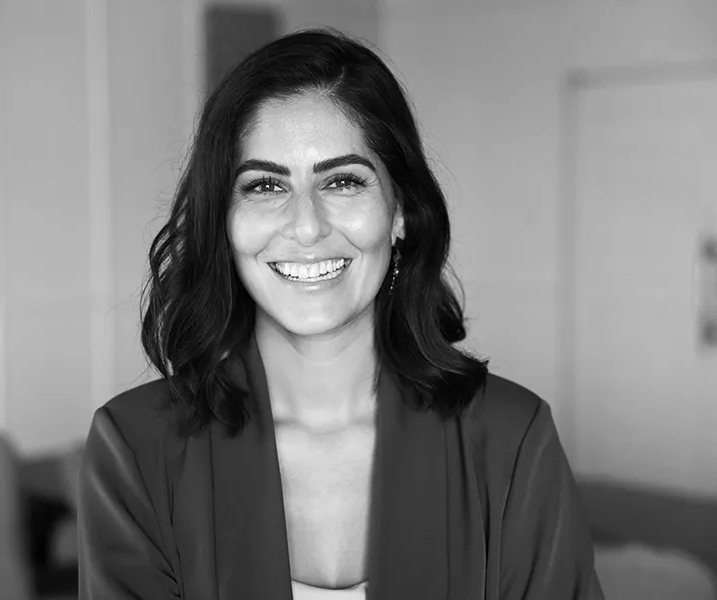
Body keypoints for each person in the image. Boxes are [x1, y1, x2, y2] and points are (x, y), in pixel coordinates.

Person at [78, 28, 604, 600]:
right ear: (223, 222)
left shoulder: (512, 439)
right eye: (265, 185)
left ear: (400, 212)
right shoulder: (135, 448)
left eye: (343, 181)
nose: (307, 227)